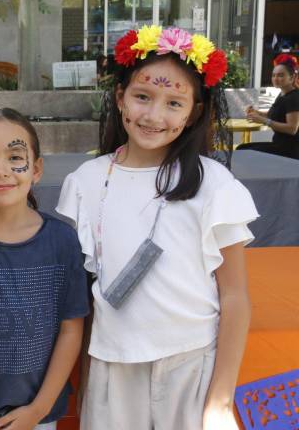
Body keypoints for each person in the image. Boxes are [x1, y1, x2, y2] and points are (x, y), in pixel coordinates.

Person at [56, 26, 259, 430]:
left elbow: (234, 296)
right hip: (112, 365)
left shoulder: (213, 183)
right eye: (142, 96)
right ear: (120, 98)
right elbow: (78, 299)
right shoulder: (85, 182)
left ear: (194, 113)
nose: (153, 116)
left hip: (191, 363)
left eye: (173, 103)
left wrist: (220, 400)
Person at [0, 108, 89, 430]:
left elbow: (71, 330)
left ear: (36, 169)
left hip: (37, 415)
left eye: (14, 157)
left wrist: (38, 409)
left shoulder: (62, 243)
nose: (1, 171)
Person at [238, 53, 299, 159]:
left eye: (281, 75)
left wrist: (264, 120)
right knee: (242, 148)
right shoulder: (282, 94)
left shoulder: (293, 97)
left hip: (289, 151)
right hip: (279, 146)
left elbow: (292, 128)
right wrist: (257, 113)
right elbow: (275, 115)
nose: (276, 78)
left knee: (243, 151)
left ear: (292, 77)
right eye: (273, 75)